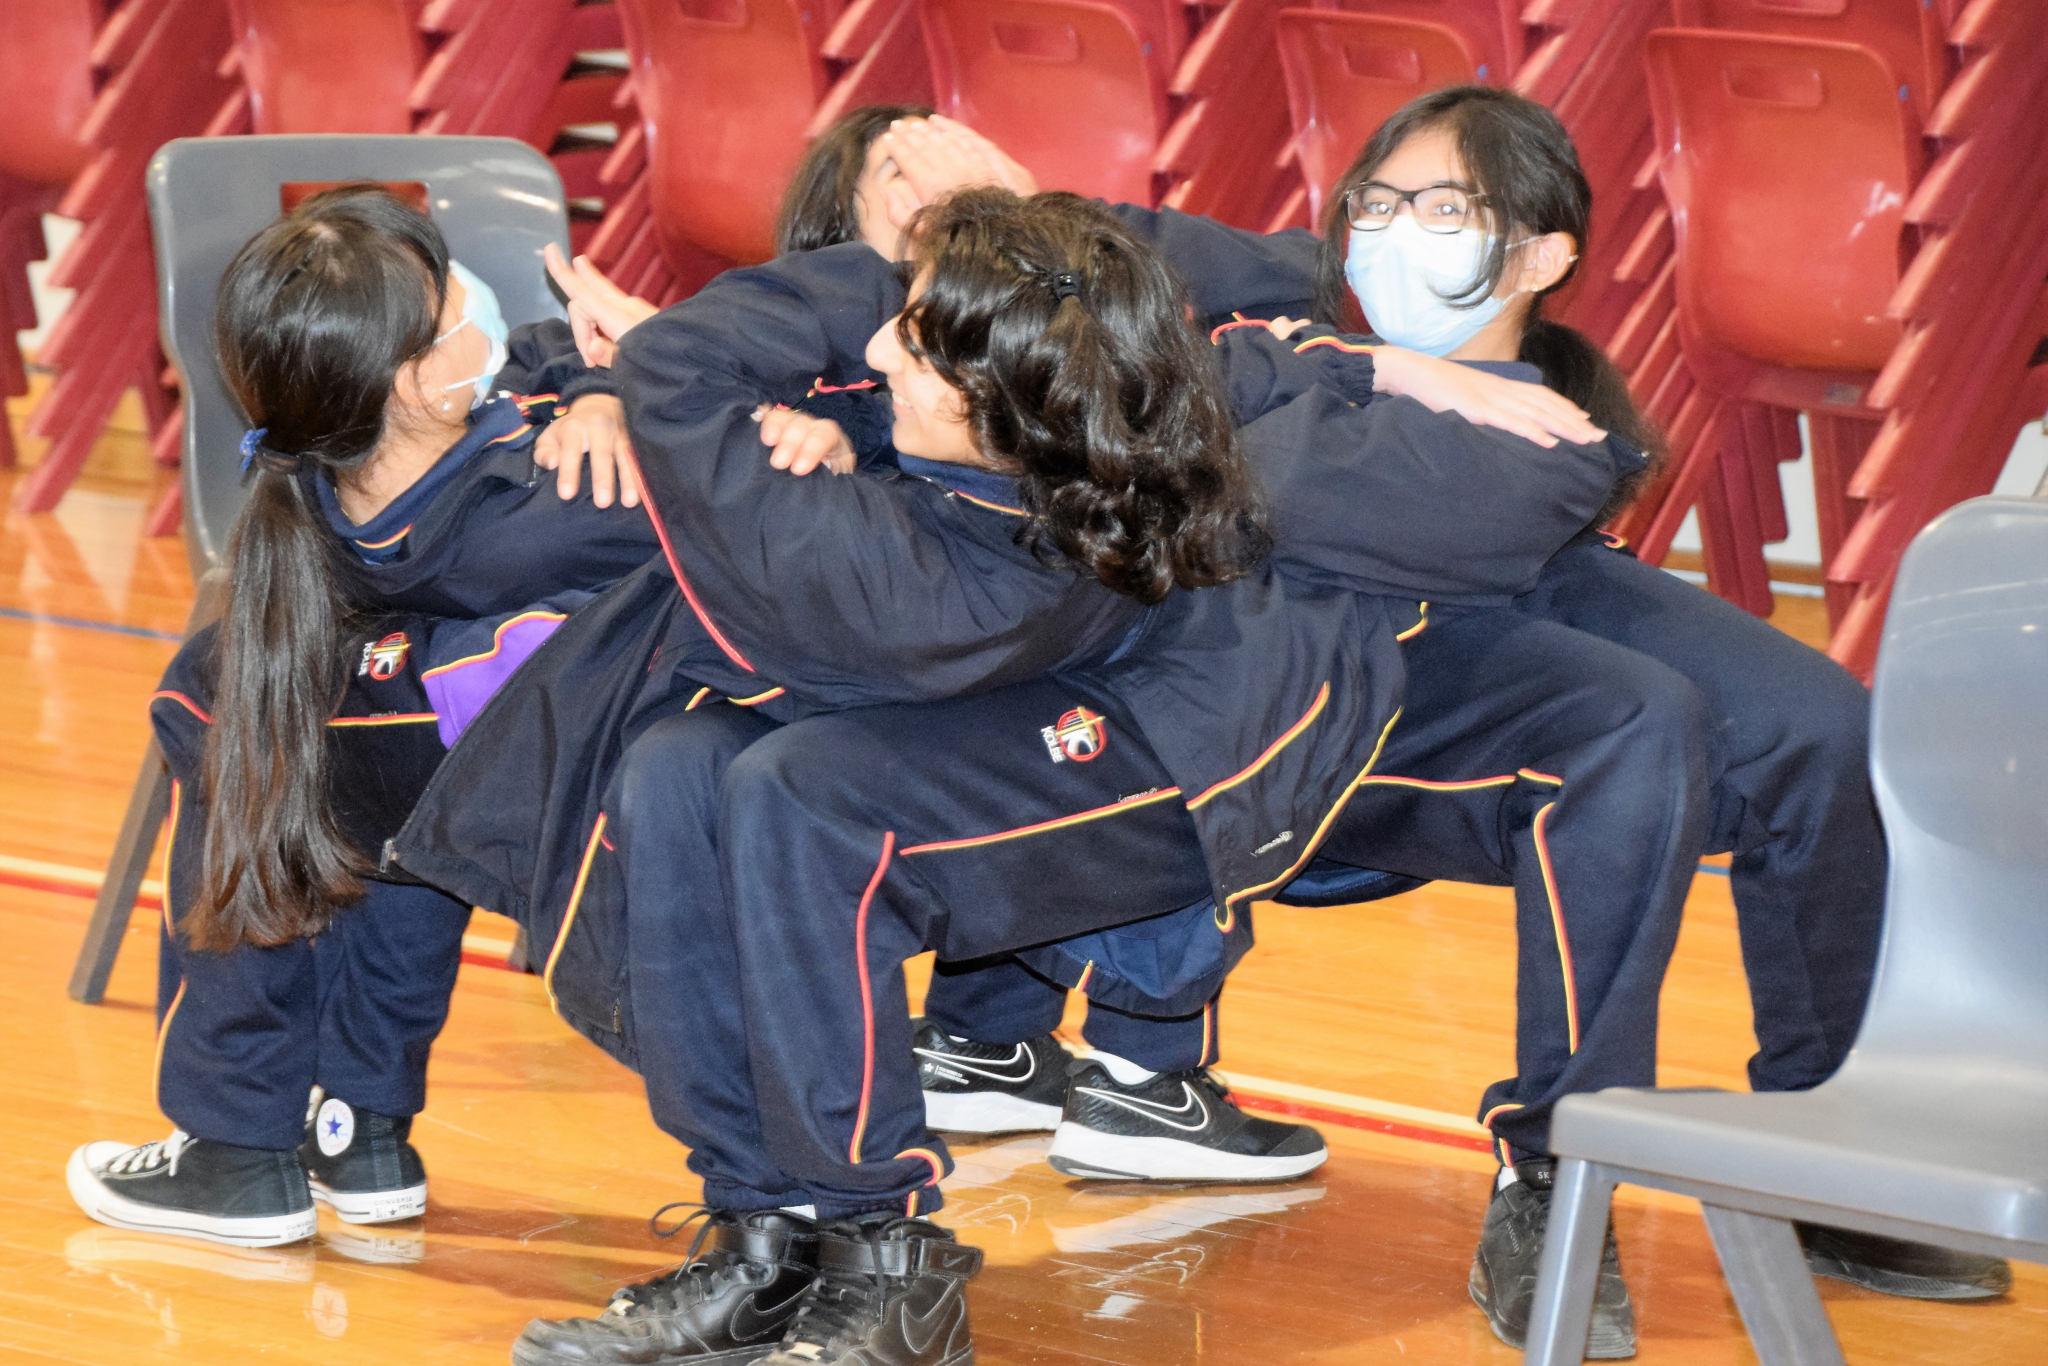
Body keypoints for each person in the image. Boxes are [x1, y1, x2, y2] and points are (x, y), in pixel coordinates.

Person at [395, 176, 1635, 1366]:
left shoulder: (906, 558)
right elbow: (1190, 355)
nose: (876, 350)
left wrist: (877, 298)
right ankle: (761, 1229)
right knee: (674, 765)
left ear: (994, 404)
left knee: (804, 795)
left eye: (913, 339)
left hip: (1163, 747)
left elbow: (674, 361)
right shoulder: (1069, 416)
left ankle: (885, 1260)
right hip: (1022, 670)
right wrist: (1368, 360)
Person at [884, 97, 2005, 1354]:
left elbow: (1269, 482)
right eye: (1376, 200)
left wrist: (1280, 374)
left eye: (1443, 207)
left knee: (1814, 729)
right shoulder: (1309, 300)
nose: (1393, 229)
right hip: (1275, 696)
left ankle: (1795, 1151)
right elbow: (1141, 260)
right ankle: (1549, 1166)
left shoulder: (1545, 423)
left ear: (1541, 255)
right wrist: (1006, 204)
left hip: (1452, 635)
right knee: (1631, 722)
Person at [65, 186, 660, 1249]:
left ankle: (239, 1142)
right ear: (415, 384)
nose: (482, 313)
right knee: (323, 758)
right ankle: (355, 1123)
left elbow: (540, 350)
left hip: (541, 753)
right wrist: (619, 391)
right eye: (452, 309)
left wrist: (601, 390)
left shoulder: (326, 473)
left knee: (215, 705)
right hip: (504, 740)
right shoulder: (536, 503)